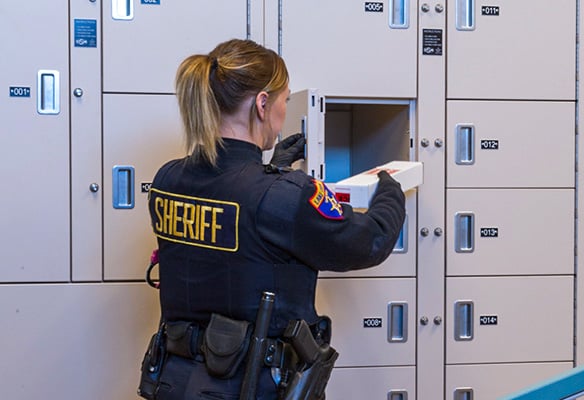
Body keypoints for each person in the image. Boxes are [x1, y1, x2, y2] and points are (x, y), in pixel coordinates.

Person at [142, 39, 406, 400]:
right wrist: (391, 189)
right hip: (250, 387)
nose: (283, 115)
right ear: (262, 104)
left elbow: (232, 238)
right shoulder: (284, 194)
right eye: (283, 100)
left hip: (176, 381)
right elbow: (368, 242)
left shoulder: (167, 179)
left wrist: (274, 170)